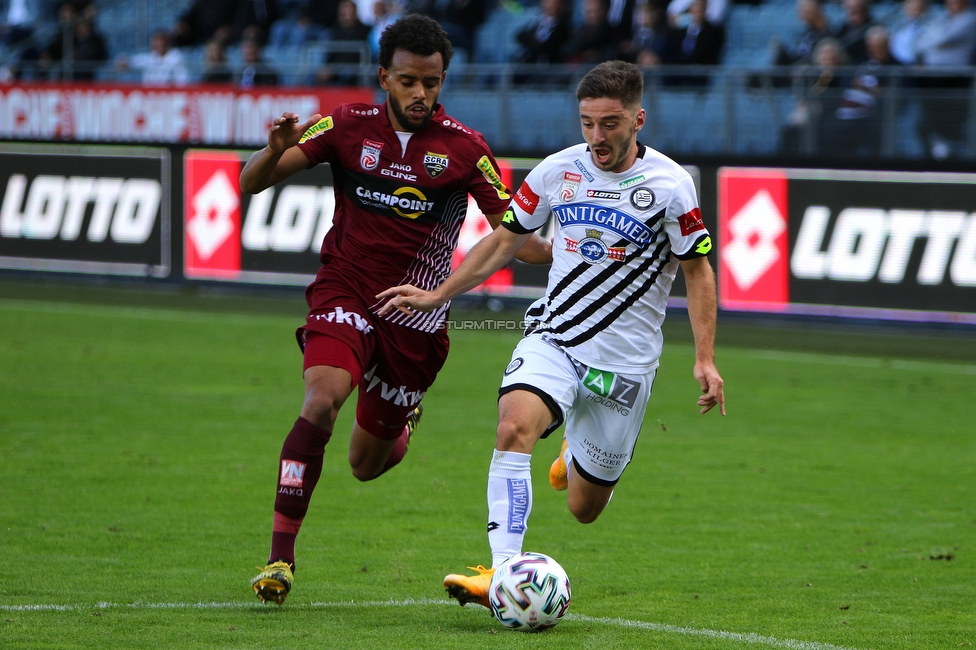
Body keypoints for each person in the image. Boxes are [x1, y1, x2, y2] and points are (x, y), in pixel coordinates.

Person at [376, 60, 725, 608]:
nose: (596, 137)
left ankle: (573, 450)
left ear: (639, 118)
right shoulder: (557, 171)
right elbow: (505, 240)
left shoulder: (670, 186)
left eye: (609, 124)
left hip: (625, 366)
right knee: (513, 426)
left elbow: (698, 270)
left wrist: (704, 359)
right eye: (587, 122)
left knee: (584, 507)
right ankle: (502, 571)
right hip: (554, 338)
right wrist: (441, 292)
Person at [239, 13, 551, 606]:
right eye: (408, 81)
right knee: (322, 397)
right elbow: (252, 182)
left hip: (416, 322)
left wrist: (571, 243)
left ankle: (401, 424)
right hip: (346, 290)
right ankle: (280, 559)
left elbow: (517, 238)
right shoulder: (345, 126)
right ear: (384, 76)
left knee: (365, 463)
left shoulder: (466, 149)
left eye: (431, 83)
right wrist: (273, 149)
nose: (420, 94)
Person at [913, 0, 976, 159]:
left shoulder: (970, 20)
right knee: (925, 118)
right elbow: (920, 42)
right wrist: (933, 41)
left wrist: (933, 40)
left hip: (954, 79)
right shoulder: (942, 19)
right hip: (932, 77)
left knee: (947, 118)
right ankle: (937, 145)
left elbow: (942, 39)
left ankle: (946, 149)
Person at [116, 30, 189, 86]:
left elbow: (182, 80)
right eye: (156, 41)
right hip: (150, 95)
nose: (159, 44)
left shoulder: (176, 57)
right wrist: (125, 61)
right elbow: (132, 61)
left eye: (161, 41)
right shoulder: (151, 57)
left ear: (167, 42)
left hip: (168, 95)